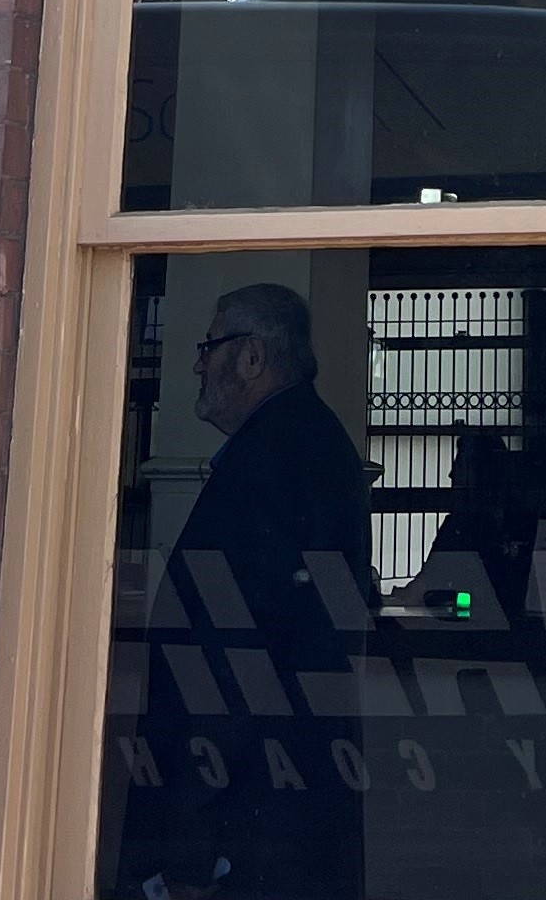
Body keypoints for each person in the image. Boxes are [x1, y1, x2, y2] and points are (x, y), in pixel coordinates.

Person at [114, 283, 376, 900]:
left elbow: (231, 659)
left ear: (252, 356)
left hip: (249, 820)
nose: (198, 363)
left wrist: (189, 845)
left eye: (210, 345)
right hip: (279, 801)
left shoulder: (274, 459)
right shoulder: (304, 442)